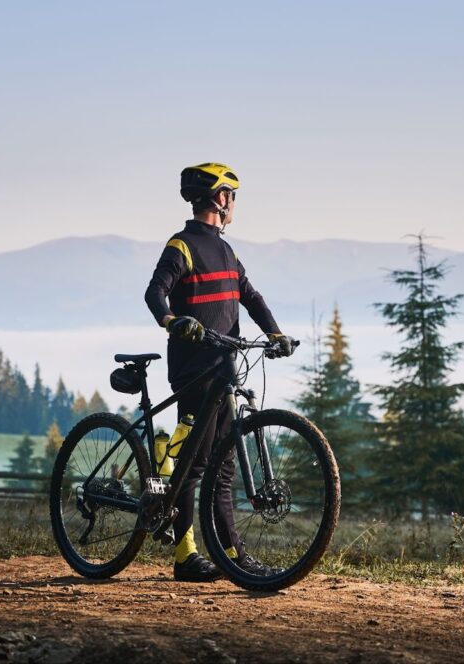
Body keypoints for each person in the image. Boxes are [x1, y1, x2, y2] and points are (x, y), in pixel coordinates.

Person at [144, 162, 297, 582]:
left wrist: (276, 333)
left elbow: (249, 295)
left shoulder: (227, 251)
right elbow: (154, 292)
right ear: (220, 198)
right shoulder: (182, 245)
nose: (233, 204)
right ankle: (184, 556)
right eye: (232, 196)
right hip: (194, 367)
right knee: (195, 465)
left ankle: (232, 553)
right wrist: (172, 320)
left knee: (224, 467)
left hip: (226, 366)